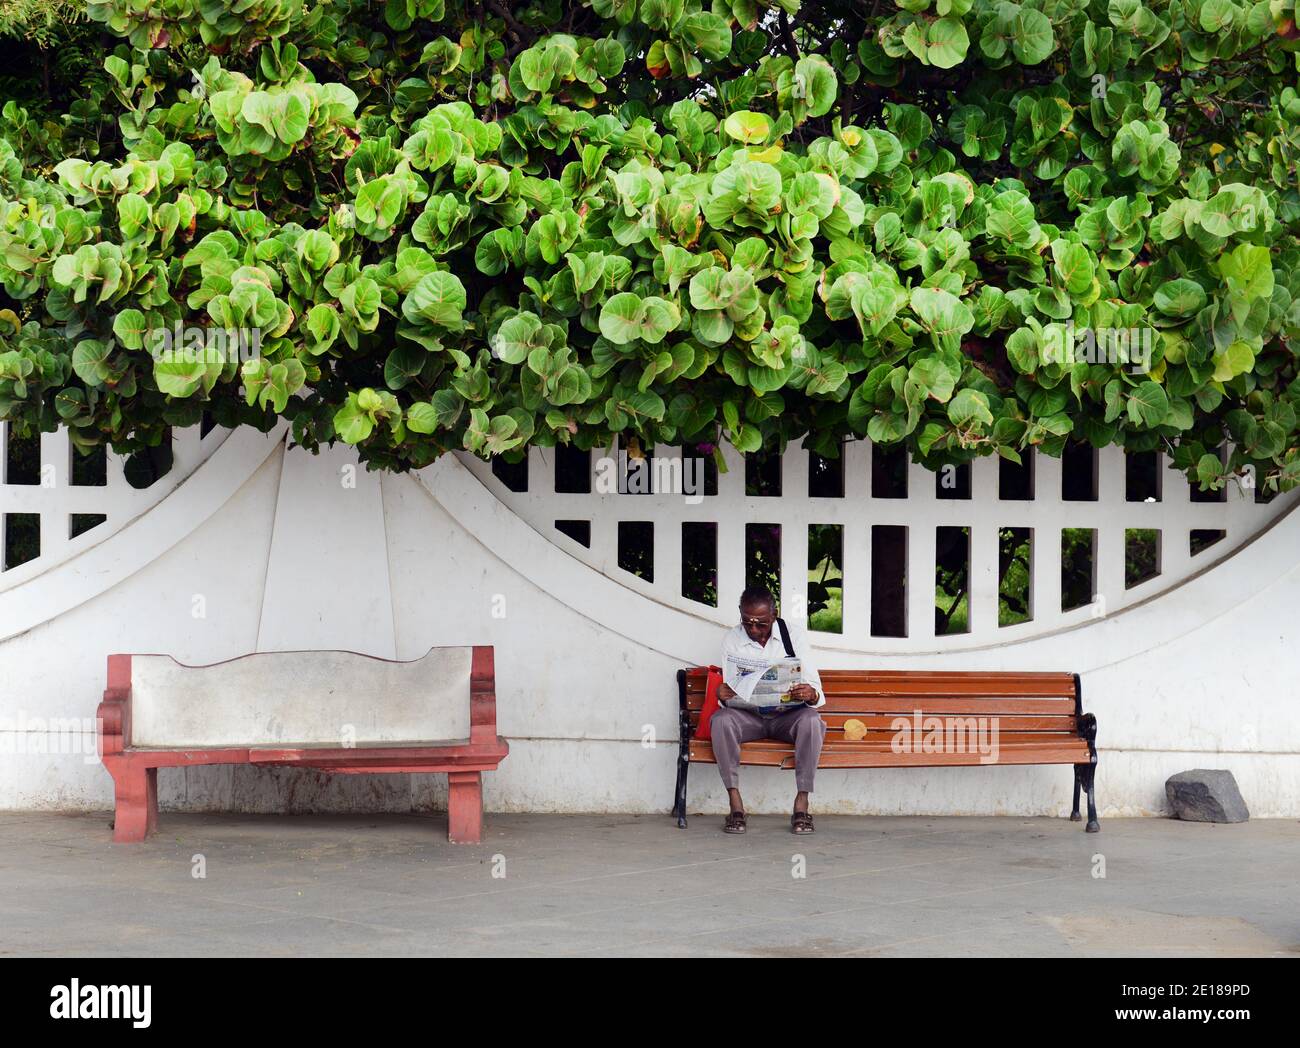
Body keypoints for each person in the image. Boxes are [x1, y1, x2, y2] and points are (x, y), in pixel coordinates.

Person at [711, 586, 826, 835]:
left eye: (761, 624)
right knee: (721, 720)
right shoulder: (733, 638)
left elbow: (816, 688)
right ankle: (735, 803)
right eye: (747, 623)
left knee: (812, 721)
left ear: (774, 615)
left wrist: (810, 693)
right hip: (749, 717)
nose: (753, 630)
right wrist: (723, 694)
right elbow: (730, 687)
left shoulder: (793, 636)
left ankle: (802, 802)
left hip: (786, 717)